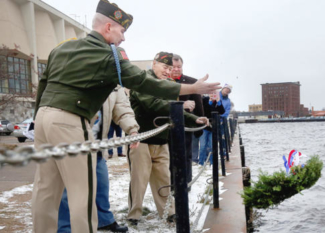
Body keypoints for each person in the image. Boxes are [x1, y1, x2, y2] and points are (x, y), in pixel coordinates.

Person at [31, 1, 220, 232]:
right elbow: (143, 82)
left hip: (43, 119)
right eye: (122, 31)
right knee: (83, 192)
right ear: (108, 27)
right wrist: (192, 88)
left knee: (45, 190)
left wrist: (37, 118)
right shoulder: (107, 55)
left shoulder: (62, 48)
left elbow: (43, 84)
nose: (123, 38)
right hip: (71, 121)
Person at [127, 52, 208, 224]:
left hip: (161, 139)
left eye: (171, 68)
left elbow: (175, 112)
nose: (168, 71)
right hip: (141, 139)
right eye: (165, 67)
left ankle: (169, 212)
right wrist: (178, 105)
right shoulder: (142, 83)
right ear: (154, 63)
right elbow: (152, 105)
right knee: (138, 180)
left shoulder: (168, 85)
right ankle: (134, 215)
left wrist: (195, 119)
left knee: (164, 179)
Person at [58, 86, 137, 233]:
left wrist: (132, 129)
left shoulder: (115, 86)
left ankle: (103, 220)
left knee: (101, 184)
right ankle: (64, 228)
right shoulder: (79, 73)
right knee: (68, 190)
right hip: (73, 142)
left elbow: (123, 109)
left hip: (97, 146)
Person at [170, 54, 204, 188]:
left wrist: (199, 125)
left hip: (186, 126)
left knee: (186, 156)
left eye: (179, 67)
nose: (177, 69)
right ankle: (172, 184)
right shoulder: (162, 82)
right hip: (167, 126)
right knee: (170, 157)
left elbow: (199, 104)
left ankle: (186, 184)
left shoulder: (192, 82)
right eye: (174, 67)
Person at [198, 93, 225, 165]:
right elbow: (205, 111)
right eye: (211, 94)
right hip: (204, 126)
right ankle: (201, 163)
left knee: (212, 146)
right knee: (203, 146)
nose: (213, 95)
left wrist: (218, 102)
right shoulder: (204, 100)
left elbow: (222, 111)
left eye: (214, 94)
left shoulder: (218, 102)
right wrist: (210, 102)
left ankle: (212, 163)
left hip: (213, 127)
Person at [219, 84, 232, 158]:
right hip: (214, 119)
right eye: (226, 89)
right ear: (222, 89)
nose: (227, 91)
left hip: (222, 120)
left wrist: (222, 116)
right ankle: (209, 155)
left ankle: (223, 152)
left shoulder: (228, 100)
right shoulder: (216, 95)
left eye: (228, 91)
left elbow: (227, 110)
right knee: (212, 137)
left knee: (223, 137)